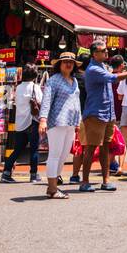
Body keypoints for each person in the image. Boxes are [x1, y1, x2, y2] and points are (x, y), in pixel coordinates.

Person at [79, 40, 127, 192]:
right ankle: (84, 181)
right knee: (91, 149)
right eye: (103, 50)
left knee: (106, 148)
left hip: (107, 113)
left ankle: (106, 180)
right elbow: (114, 78)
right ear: (94, 53)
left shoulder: (102, 66)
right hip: (96, 114)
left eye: (106, 50)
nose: (106, 52)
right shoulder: (93, 69)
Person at [38, 53, 83, 199]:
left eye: (71, 62)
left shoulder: (74, 80)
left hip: (70, 123)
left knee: (63, 156)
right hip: (57, 122)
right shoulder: (54, 80)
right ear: (59, 64)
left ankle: (54, 187)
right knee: (55, 155)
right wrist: (43, 119)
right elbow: (46, 100)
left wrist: (78, 122)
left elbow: (76, 102)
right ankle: (52, 188)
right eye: (65, 62)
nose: (68, 64)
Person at [2, 63, 43, 183]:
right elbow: (41, 102)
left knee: (18, 149)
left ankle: (6, 172)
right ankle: (34, 175)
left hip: (20, 123)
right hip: (32, 122)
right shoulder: (35, 87)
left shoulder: (18, 87)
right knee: (34, 149)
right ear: (35, 75)